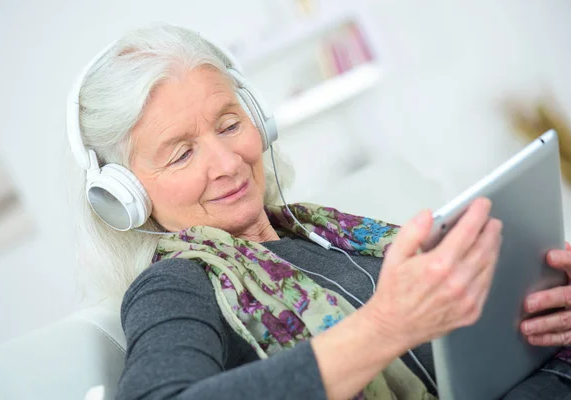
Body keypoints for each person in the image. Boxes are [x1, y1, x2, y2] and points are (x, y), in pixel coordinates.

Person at [67, 23, 571, 400]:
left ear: (259, 121)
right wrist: (386, 326)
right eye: (181, 154)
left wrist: (542, 298)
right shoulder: (174, 285)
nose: (227, 162)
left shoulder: (320, 231)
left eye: (228, 125)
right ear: (124, 195)